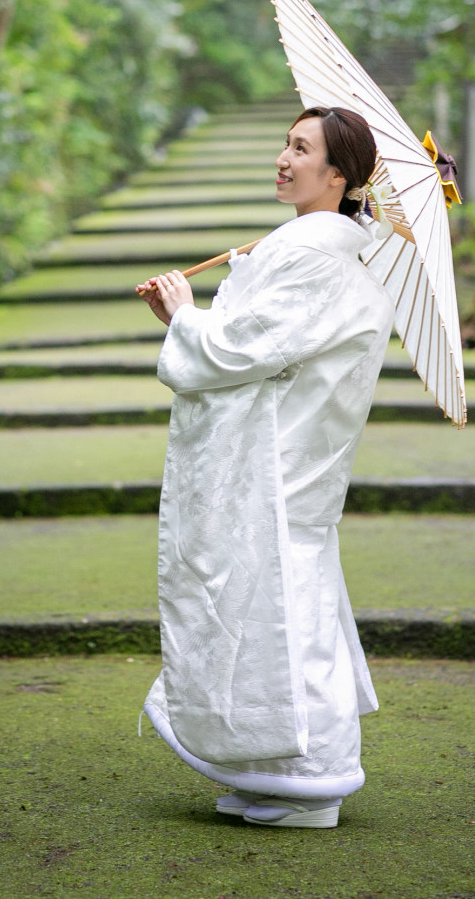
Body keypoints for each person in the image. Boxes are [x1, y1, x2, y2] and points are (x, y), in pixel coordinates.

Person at [136, 105, 395, 830]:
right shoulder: (319, 250)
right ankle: (269, 770)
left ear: (338, 174)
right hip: (289, 458)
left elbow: (240, 351)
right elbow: (259, 344)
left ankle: (310, 778)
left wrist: (188, 317)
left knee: (285, 607)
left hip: (281, 462)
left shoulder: (314, 255)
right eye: (285, 142)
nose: (284, 157)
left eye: (301, 148)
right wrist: (192, 319)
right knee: (270, 604)